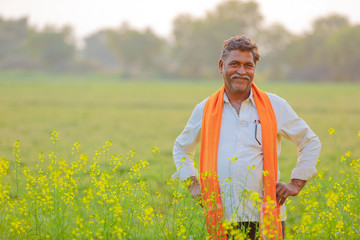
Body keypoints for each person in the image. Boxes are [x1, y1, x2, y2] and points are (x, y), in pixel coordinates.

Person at [172, 35, 321, 240]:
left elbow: (310, 141)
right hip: (220, 218)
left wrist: (296, 183)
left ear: (254, 69)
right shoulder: (205, 109)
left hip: (265, 217)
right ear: (221, 66)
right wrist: (193, 184)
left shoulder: (274, 105)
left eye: (248, 65)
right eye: (234, 64)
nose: (242, 71)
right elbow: (181, 148)